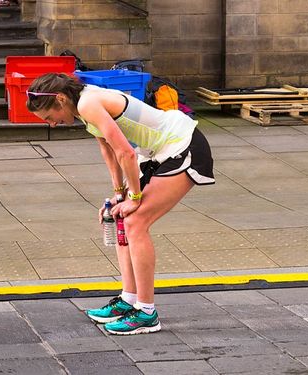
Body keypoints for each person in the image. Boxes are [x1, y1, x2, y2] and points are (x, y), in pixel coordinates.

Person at [26, 73, 214, 335]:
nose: (52, 124)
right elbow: (108, 150)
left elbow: (125, 151)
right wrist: (119, 194)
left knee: (136, 221)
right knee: (120, 216)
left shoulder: (87, 104)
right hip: (158, 152)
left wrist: (134, 198)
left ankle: (147, 313)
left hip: (182, 145)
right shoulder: (81, 105)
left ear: (60, 99)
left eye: (49, 117)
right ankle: (129, 299)